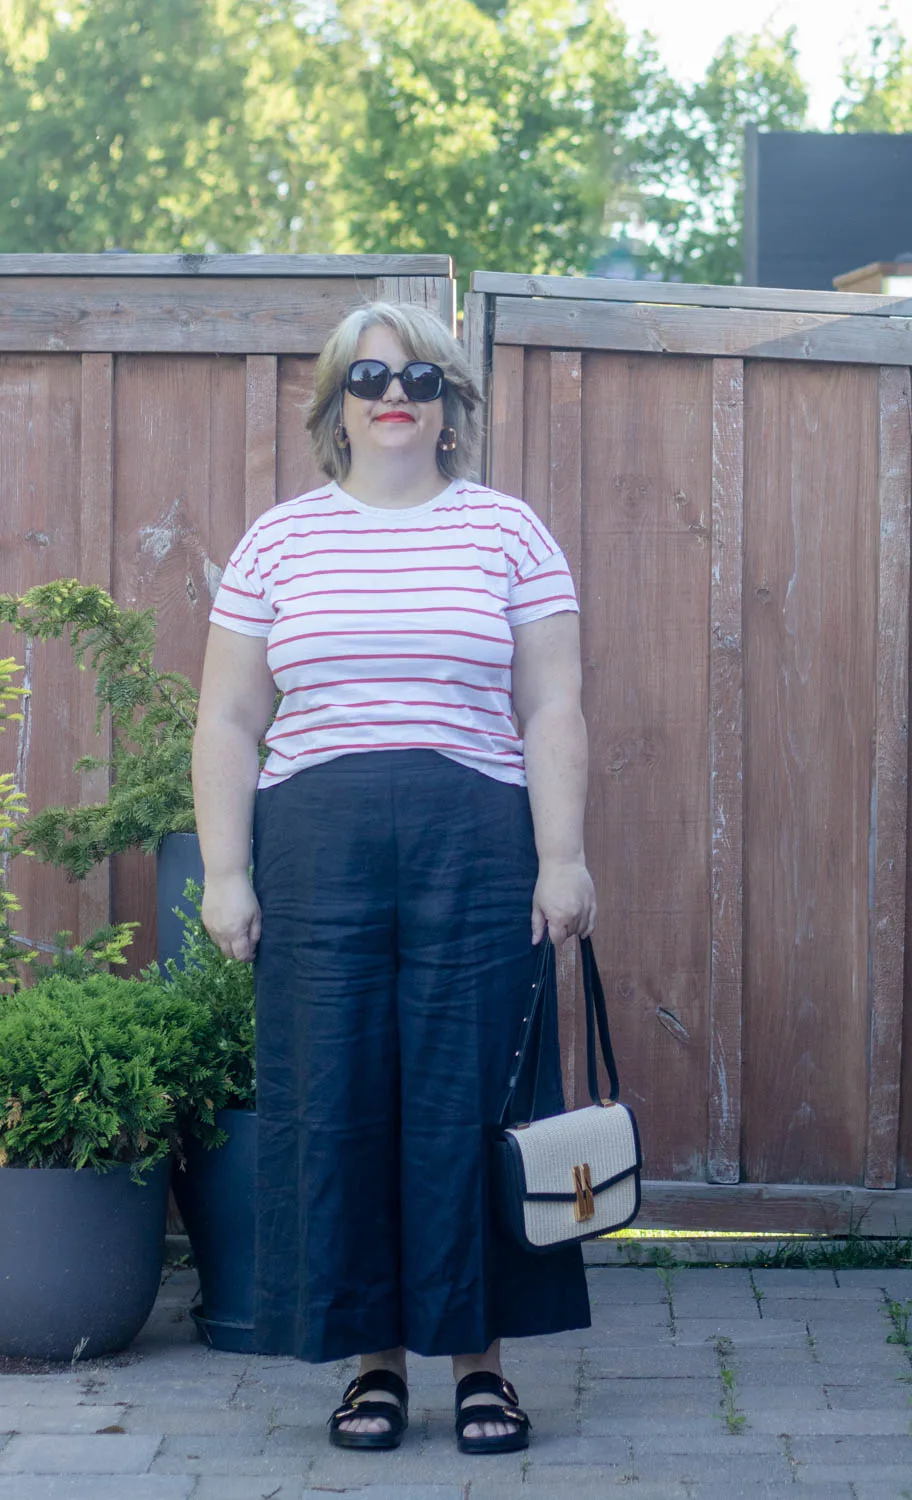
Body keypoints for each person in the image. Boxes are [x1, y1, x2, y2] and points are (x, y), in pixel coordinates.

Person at [192, 300, 597, 1456]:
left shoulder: (510, 533)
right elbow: (227, 716)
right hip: (314, 844)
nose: (394, 395)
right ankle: (370, 1366)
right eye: (369, 376)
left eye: (420, 380)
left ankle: (482, 1367)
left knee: (476, 1101)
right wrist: (227, 869)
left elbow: (550, 704)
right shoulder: (281, 541)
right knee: (339, 1100)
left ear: (450, 405)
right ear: (337, 404)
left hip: (475, 841)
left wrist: (561, 854)